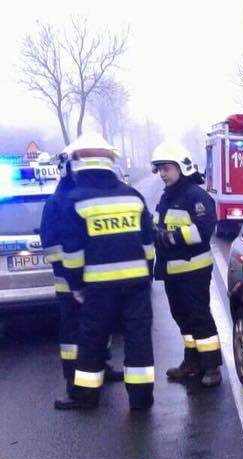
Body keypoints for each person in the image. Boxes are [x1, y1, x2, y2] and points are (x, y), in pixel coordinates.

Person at [55, 133, 155, 411]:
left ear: (79, 164)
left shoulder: (74, 200)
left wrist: (76, 286)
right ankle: (141, 399)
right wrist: (145, 277)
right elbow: (148, 245)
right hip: (136, 284)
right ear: (109, 163)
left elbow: (72, 255)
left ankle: (85, 397)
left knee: (92, 339)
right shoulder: (132, 196)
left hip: (97, 288)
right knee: (139, 339)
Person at [40, 153, 124, 397]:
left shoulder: (86, 197)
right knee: (73, 333)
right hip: (69, 283)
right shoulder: (57, 203)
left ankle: (101, 367)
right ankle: (73, 379)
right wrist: (70, 273)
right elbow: (52, 245)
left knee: (100, 326)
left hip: (95, 280)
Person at [151, 142, 222, 388]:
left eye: (167, 168)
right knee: (182, 318)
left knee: (200, 317)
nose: (162, 173)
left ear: (181, 167)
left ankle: (212, 367)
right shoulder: (167, 196)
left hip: (193, 271)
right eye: (159, 169)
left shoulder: (196, 196)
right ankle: (192, 362)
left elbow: (204, 230)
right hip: (172, 272)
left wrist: (171, 237)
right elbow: (159, 225)